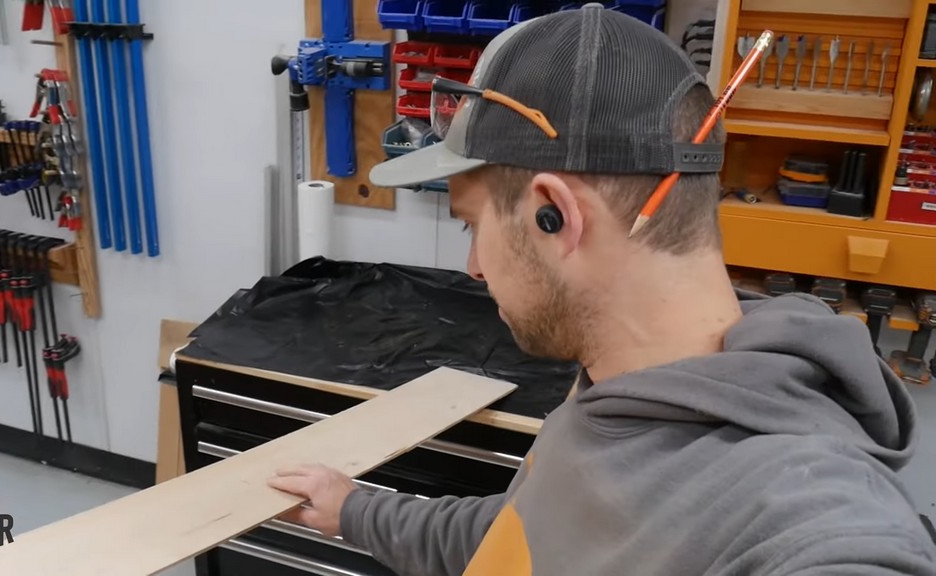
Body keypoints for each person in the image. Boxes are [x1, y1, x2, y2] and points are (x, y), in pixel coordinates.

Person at [268, 4, 936, 574]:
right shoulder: (614, 387)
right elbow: (520, 532)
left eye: (473, 225)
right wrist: (355, 510)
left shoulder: (801, 510)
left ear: (555, 216)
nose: (474, 267)